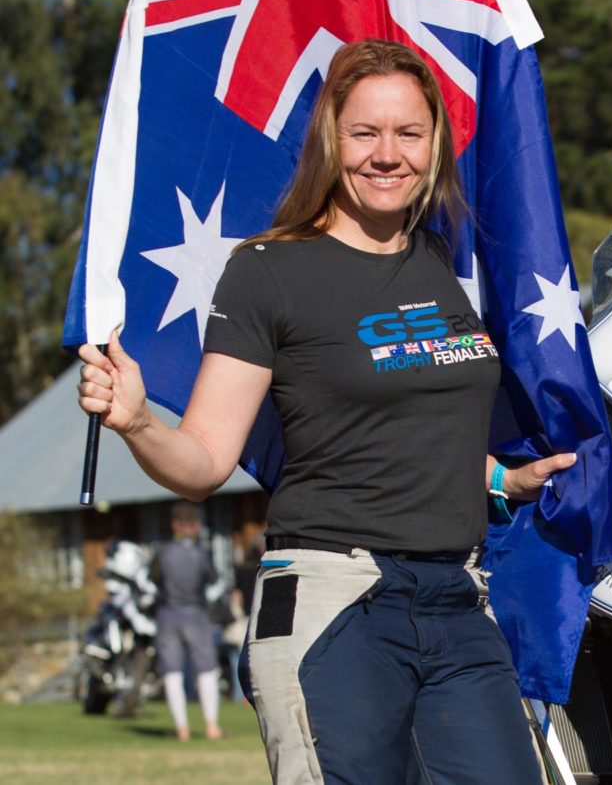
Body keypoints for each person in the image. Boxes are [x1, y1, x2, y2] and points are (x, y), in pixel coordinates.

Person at [77, 38, 576, 784]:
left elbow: (395, 433)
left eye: (408, 132)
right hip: (332, 602)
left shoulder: (440, 262)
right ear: (329, 140)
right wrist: (140, 420)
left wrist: (504, 480)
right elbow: (206, 460)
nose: (387, 153)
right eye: (364, 132)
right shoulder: (267, 272)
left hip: (458, 604)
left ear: (435, 143)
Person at [151, 501, 225, 741]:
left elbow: (152, 581)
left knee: (172, 672)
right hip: (195, 612)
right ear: (195, 525)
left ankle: (182, 729)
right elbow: (214, 581)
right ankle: (212, 726)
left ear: (174, 524)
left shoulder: (162, 552)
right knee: (206, 669)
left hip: (167, 614)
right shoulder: (201, 553)